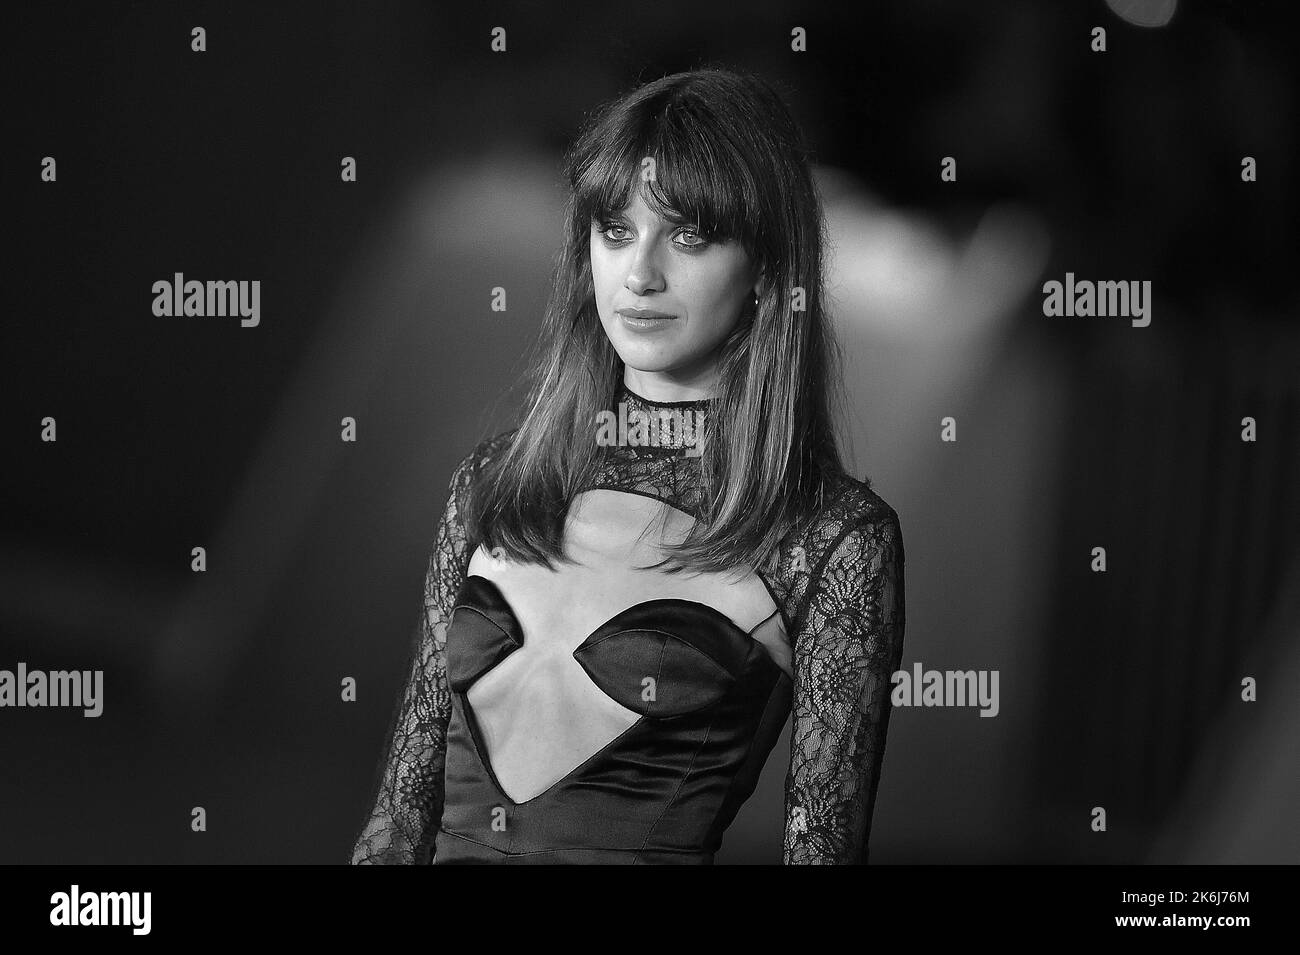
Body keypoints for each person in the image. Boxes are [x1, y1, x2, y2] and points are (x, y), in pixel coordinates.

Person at [350, 66, 905, 864]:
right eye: (616, 230)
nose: (640, 274)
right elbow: (397, 824)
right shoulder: (492, 487)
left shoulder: (830, 539)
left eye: (688, 235)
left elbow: (820, 851)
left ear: (767, 270)